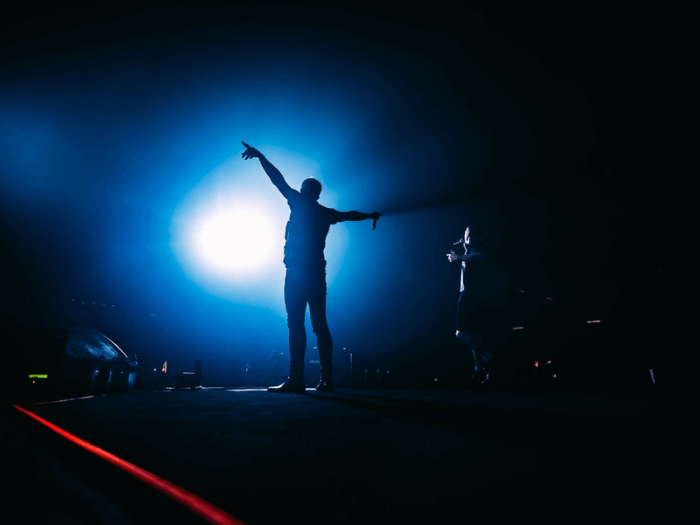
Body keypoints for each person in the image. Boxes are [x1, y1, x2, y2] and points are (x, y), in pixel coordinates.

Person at [241, 142, 381, 393]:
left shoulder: (297, 202)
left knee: (296, 323)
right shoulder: (325, 213)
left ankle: (297, 379)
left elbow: (278, 180)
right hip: (317, 273)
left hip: (296, 273)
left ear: (306, 192)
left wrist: (261, 156)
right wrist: (370, 215)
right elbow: (349, 214)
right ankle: (326, 380)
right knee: (319, 324)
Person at [447, 225, 495, 386]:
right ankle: (479, 369)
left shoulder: (478, 250)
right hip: (469, 295)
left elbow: (479, 257)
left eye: (466, 234)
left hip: (470, 296)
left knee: (460, 333)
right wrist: (464, 248)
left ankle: (489, 359)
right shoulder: (469, 250)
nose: (463, 236)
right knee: (473, 334)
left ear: (472, 237)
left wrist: (459, 256)